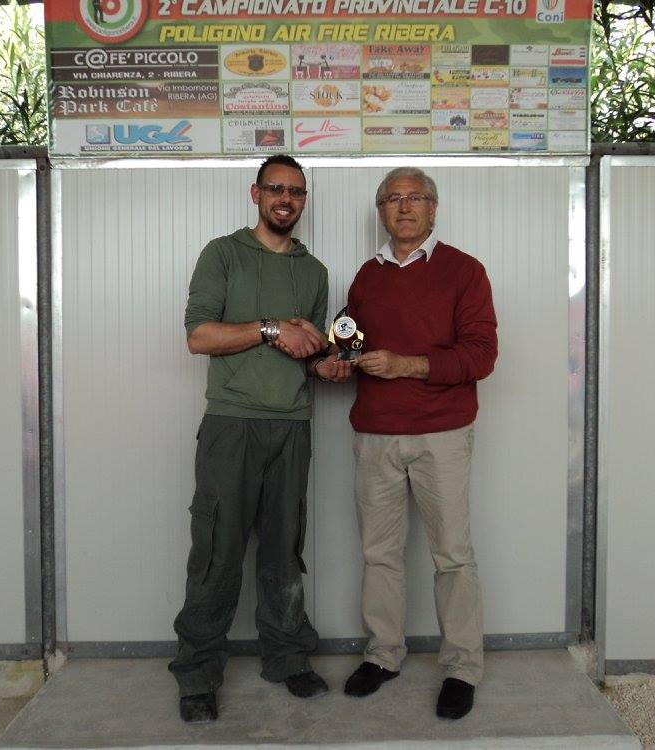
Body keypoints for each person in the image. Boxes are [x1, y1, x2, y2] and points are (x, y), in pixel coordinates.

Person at [170, 155, 351, 723]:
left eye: (296, 191)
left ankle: (287, 658)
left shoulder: (314, 271)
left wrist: (327, 366)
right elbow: (199, 336)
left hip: (292, 426)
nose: (285, 199)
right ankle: (198, 674)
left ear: (303, 200)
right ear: (256, 194)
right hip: (232, 424)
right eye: (276, 188)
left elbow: (311, 353)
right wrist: (271, 329)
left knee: (283, 551)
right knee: (217, 552)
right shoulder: (223, 254)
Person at [342, 167, 498, 720]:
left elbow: (481, 356)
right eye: (393, 198)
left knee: (452, 555)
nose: (404, 207)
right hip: (376, 435)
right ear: (380, 211)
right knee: (379, 553)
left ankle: (461, 667)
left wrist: (406, 365)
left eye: (415, 197)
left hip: (442, 434)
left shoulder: (464, 271)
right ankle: (383, 654)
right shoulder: (367, 276)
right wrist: (338, 364)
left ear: (434, 208)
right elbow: (351, 343)